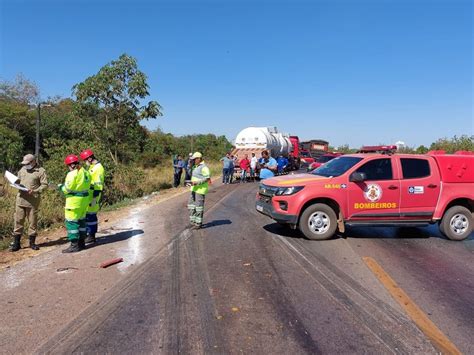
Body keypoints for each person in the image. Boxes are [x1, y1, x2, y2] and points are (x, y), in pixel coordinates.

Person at [10, 154, 48, 252]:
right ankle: (16, 244)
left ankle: (32, 243)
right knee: (18, 221)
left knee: (32, 222)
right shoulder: (22, 169)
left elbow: (44, 185)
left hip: (33, 201)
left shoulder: (41, 171)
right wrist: (14, 183)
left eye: (27, 163)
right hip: (20, 199)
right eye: (24, 163)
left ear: (33, 162)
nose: (25, 165)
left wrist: (35, 191)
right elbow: (18, 180)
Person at [59, 154, 91, 253]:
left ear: (70, 165)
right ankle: (82, 243)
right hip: (84, 200)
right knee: (81, 221)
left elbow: (68, 189)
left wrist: (61, 187)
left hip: (74, 202)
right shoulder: (85, 172)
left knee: (71, 222)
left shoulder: (72, 173)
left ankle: (74, 245)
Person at [80, 149, 105, 245]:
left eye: (85, 160)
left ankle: (91, 236)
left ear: (90, 158)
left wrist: (95, 198)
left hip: (94, 195)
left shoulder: (98, 168)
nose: (85, 162)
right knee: (87, 216)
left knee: (91, 216)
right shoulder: (92, 166)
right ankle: (88, 234)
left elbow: (98, 185)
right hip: (89, 195)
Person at [187, 152, 211, 229]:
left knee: (198, 207)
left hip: (200, 190)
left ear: (199, 159)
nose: (193, 161)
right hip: (193, 189)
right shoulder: (195, 166)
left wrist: (197, 182)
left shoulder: (204, 167)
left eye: (194, 159)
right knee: (191, 205)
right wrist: (190, 166)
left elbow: (207, 178)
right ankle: (193, 221)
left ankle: (198, 223)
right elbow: (190, 174)